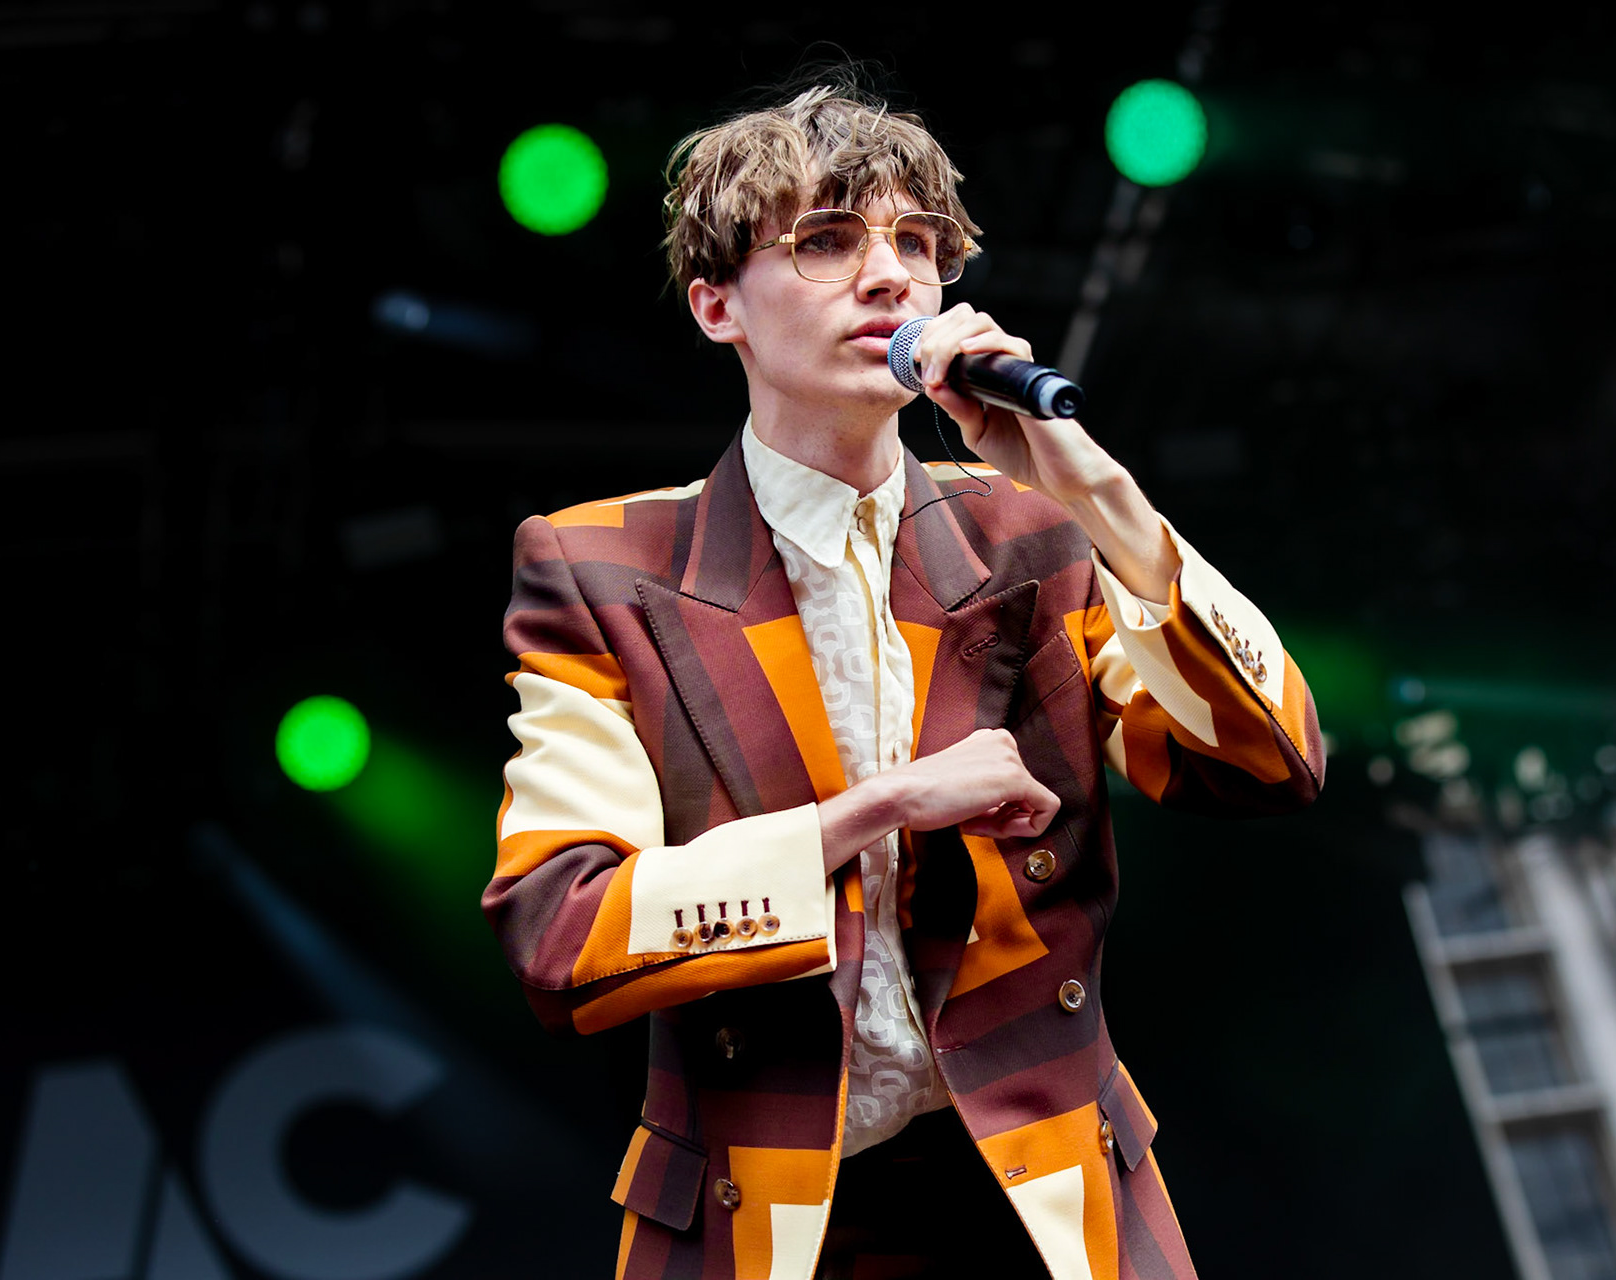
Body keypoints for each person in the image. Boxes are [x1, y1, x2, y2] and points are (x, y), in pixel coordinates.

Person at [482, 77, 1323, 1280]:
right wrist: (875, 808)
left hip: (1051, 1199)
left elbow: (1270, 757)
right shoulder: (607, 568)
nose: (891, 277)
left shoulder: (1031, 535)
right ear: (717, 305)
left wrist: (1102, 497)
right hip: (769, 1219)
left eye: (916, 245)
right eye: (826, 243)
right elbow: (559, 927)